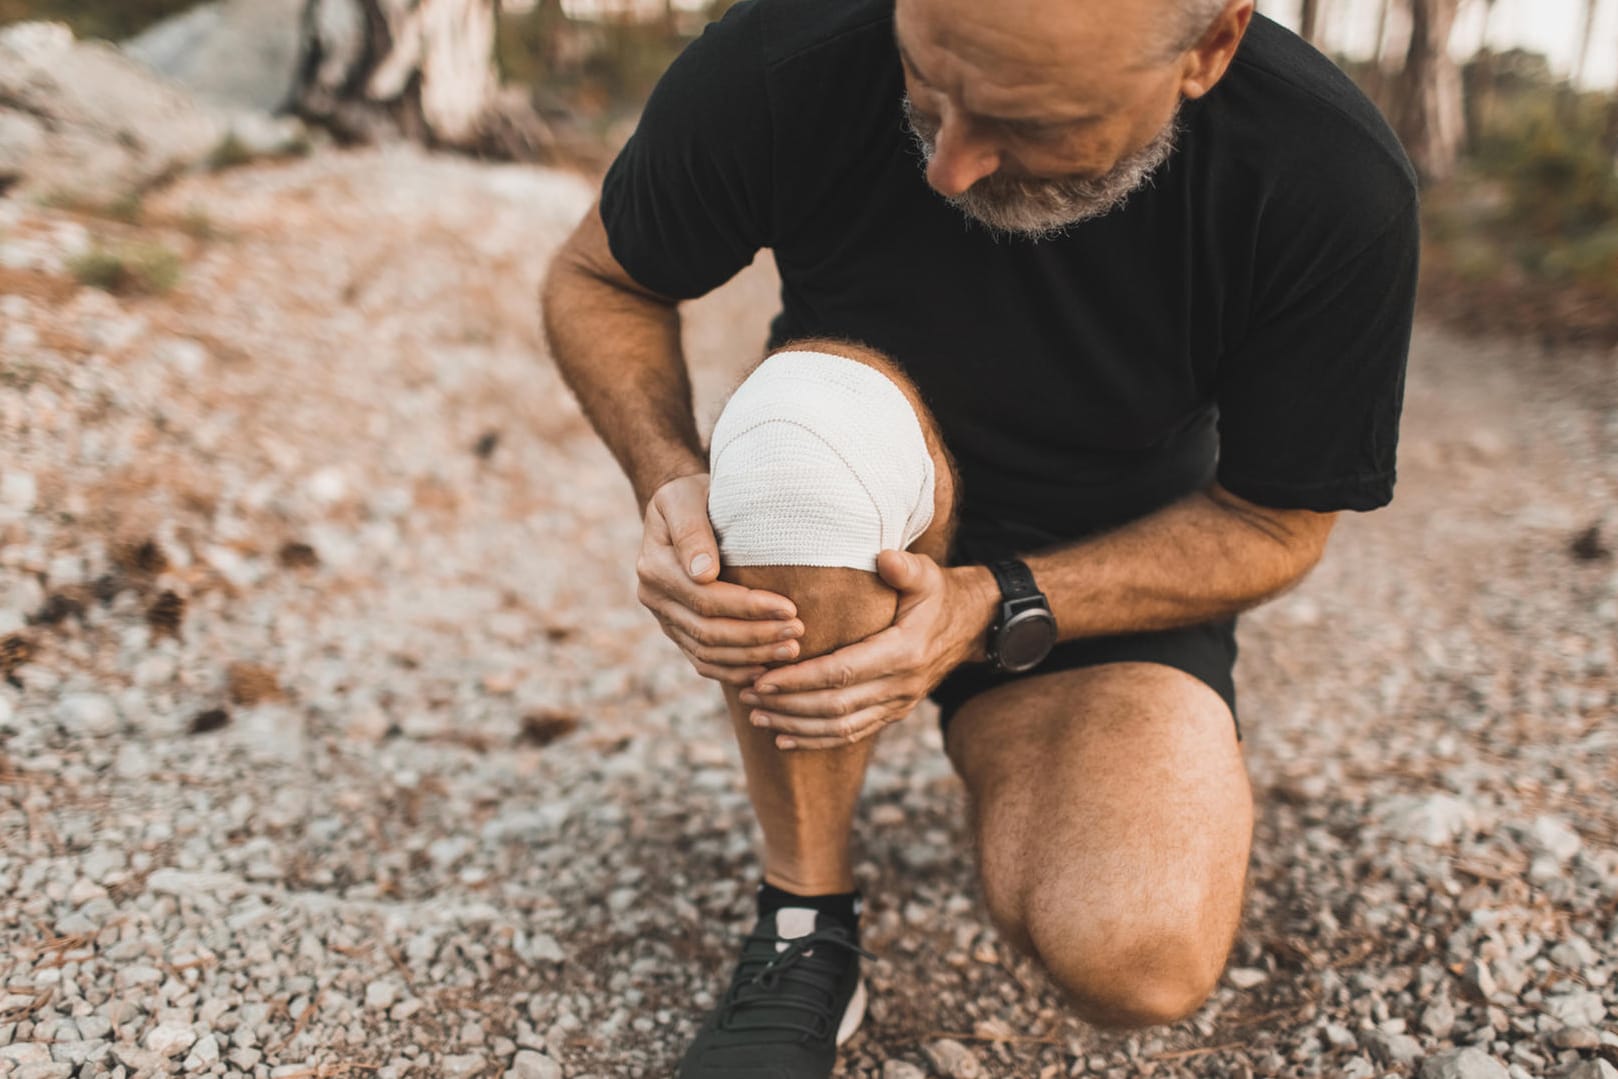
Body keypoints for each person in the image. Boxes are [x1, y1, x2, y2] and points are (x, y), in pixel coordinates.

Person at [542, 0, 1419, 1072]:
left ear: (1207, 50)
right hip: (855, 485)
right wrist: (670, 475)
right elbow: (600, 279)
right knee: (795, 450)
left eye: (1027, 121)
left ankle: (1011, 746)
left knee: (1137, 953)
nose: (948, 166)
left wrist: (982, 605)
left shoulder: (1326, 174)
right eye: (925, 84)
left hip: (1098, 559)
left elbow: (1271, 523)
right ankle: (802, 917)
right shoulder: (788, 50)